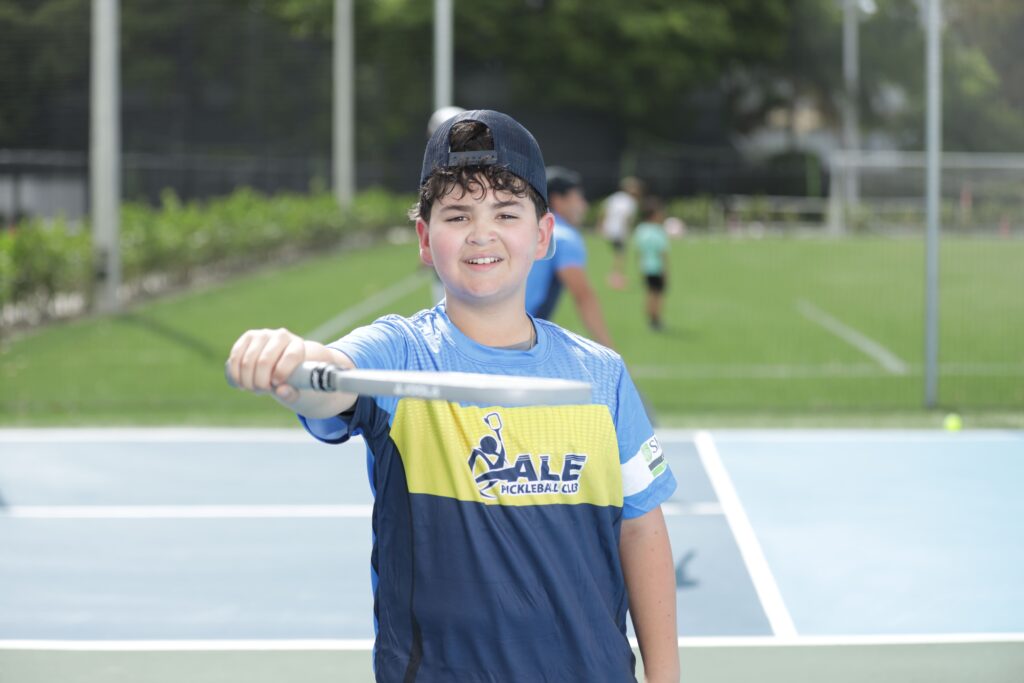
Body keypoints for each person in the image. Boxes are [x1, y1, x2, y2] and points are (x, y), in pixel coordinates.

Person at [226, 110, 679, 683]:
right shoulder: (400, 351)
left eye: (506, 213)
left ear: (542, 236)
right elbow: (327, 381)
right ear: (424, 238)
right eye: (458, 214)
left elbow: (640, 529)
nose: (481, 233)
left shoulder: (601, 376)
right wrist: (291, 361)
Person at [524, 165, 614, 348]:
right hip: (517, 339)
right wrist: (609, 351)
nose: (584, 205)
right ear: (559, 200)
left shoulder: (524, 229)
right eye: (578, 198)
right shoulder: (563, 237)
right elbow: (583, 296)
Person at [598, 176, 643, 289]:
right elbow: (626, 218)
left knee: (618, 254)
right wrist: (626, 232)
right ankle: (616, 277)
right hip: (619, 231)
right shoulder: (631, 202)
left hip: (609, 229)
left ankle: (616, 276)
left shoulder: (615, 198)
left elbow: (604, 210)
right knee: (620, 254)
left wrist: (601, 225)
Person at [633, 196, 670, 330]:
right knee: (658, 295)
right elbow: (662, 254)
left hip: (645, 267)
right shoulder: (658, 231)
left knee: (649, 293)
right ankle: (656, 319)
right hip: (657, 267)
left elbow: (638, 251)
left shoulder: (641, 230)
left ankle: (650, 318)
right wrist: (666, 271)